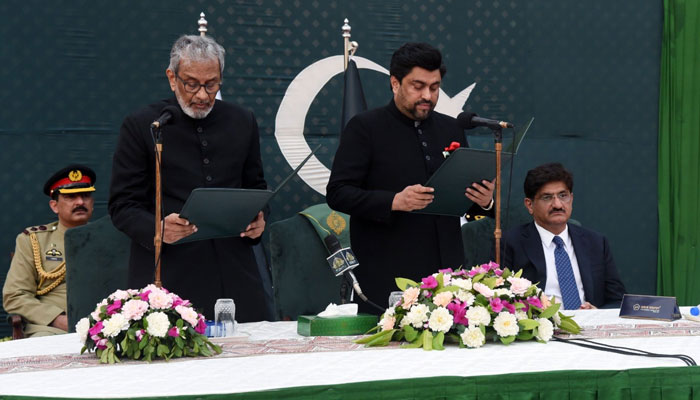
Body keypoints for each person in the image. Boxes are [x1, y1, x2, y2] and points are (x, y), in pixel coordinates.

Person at [108, 35, 269, 322]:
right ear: (172, 78)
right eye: (191, 84)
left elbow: (255, 187)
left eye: (212, 84)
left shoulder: (242, 120)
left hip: (236, 273)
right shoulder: (143, 125)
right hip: (168, 276)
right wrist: (157, 229)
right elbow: (122, 205)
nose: (203, 95)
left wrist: (259, 219)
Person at [326, 42, 495, 312]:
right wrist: (394, 201)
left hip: (447, 273)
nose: (427, 95)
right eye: (418, 86)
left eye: (435, 87)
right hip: (387, 271)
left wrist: (485, 201)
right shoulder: (365, 128)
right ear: (395, 83)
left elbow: (461, 199)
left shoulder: (451, 128)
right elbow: (338, 193)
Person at [501, 163, 626, 309]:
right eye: (547, 197)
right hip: (540, 327)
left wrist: (597, 314)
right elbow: (502, 301)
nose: (558, 205)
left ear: (571, 199)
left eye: (563, 196)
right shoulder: (510, 243)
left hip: (588, 326)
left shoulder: (596, 242)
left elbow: (617, 300)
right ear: (530, 205)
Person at [2, 165, 96, 337]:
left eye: (86, 196)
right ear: (54, 206)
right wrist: (58, 319)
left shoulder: (107, 237)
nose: (80, 202)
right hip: (50, 328)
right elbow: (14, 296)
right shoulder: (33, 240)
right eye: (70, 197)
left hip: (103, 325)